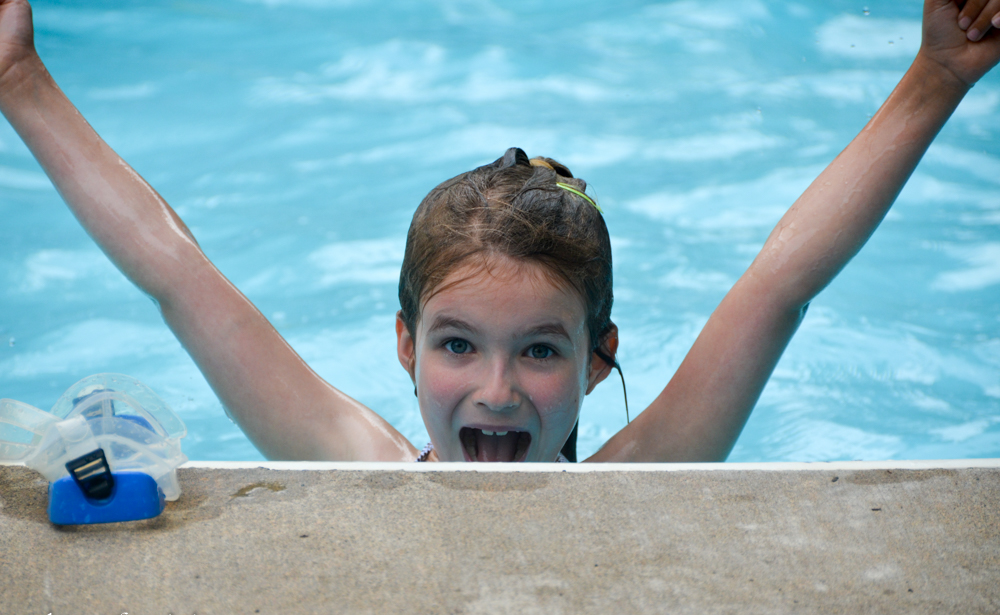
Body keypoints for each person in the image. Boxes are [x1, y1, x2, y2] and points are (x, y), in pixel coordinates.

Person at [0, 0, 997, 463]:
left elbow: (779, 283)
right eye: (456, 344)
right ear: (404, 344)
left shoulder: (652, 477)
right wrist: (20, 83)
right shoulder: (357, 465)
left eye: (540, 350)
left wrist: (933, 80)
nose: (495, 388)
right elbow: (179, 275)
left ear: (599, 361)